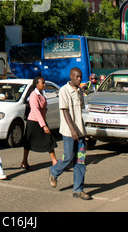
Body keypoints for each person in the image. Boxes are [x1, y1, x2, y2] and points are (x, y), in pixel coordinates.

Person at [49, 67, 91, 200]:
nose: (79, 79)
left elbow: (81, 110)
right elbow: (65, 111)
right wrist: (73, 130)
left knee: (80, 160)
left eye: (80, 77)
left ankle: (78, 189)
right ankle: (54, 171)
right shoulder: (64, 90)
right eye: (77, 77)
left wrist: (81, 130)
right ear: (71, 77)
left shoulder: (80, 91)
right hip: (69, 132)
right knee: (68, 157)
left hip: (80, 132)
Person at [21, 76, 57, 170]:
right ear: (37, 85)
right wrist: (44, 125)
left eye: (44, 83)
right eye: (42, 83)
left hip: (41, 120)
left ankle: (54, 160)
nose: (44, 84)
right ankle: (24, 161)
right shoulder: (33, 95)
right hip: (33, 121)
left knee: (49, 139)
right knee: (28, 142)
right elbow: (36, 111)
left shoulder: (42, 93)